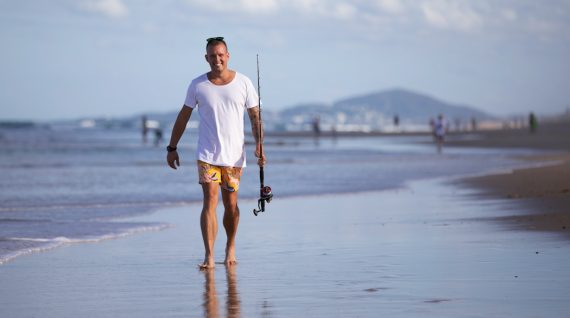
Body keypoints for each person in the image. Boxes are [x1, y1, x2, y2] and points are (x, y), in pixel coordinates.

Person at [166, 37, 265, 269]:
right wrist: (172, 147)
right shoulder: (198, 85)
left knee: (231, 205)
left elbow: (255, 116)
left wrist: (260, 143)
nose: (217, 59)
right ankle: (209, 255)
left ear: (228, 55)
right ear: (206, 58)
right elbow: (183, 116)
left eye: (220, 55)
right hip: (207, 155)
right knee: (209, 200)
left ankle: (230, 247)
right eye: (212, 56)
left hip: (234, 156)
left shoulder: (244, 83)